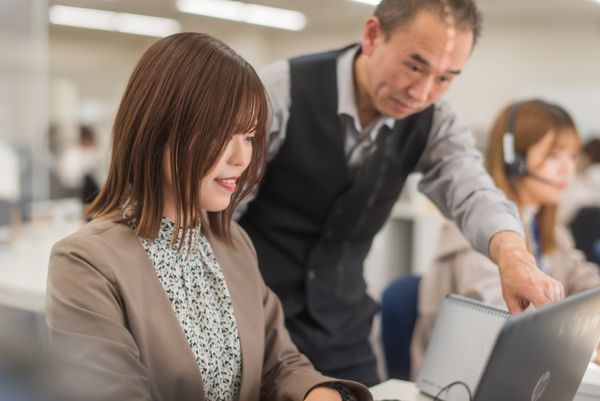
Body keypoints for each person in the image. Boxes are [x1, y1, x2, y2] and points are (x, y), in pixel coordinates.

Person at [235, 0, 563, 386]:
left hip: (344, 333)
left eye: (445, 78)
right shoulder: (278, 93)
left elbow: (471, 188)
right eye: (415, 66)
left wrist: (513, 256)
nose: (422, 92)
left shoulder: (435, 122)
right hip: (252, 322)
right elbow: (218, 216)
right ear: (373, 35)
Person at [46, 33, 372, 401]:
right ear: (158, 130)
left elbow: (278, 363)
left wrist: (318, 395)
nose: (241, 157)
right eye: (222, 133)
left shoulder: (233, 244)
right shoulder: (86, 263)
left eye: (248, 136)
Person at [411, 100, 600, 378]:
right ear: (515, 160)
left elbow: (583, 280)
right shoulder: (482, 233)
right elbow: (506, 325)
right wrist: (587, 348)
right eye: (554, 156)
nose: (567, 170)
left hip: (523, 372)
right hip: (467, 380)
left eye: (572, 157)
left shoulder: (547, 226)